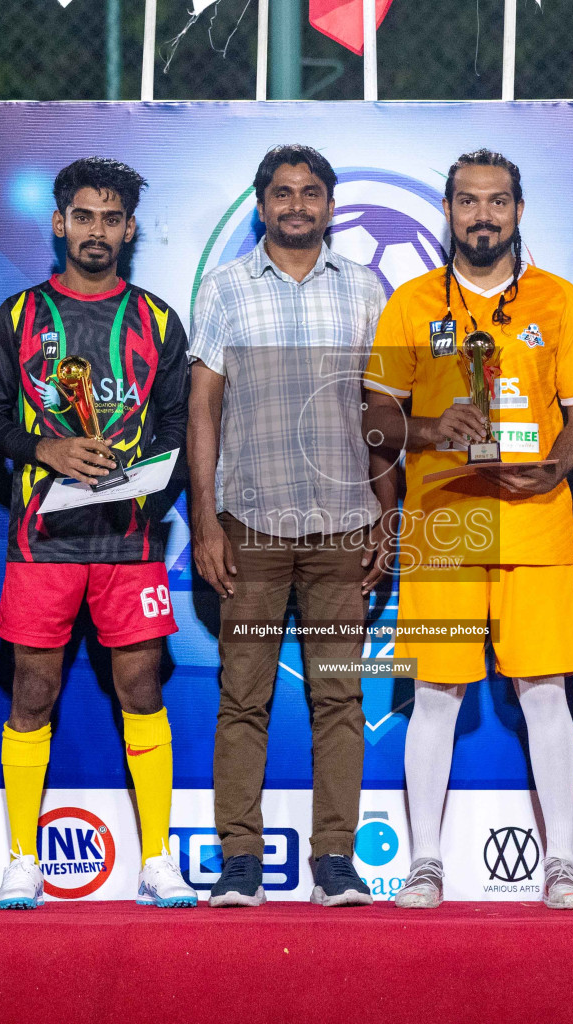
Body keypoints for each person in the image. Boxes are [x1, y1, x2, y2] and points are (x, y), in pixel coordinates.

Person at [363, 149, 573, 911]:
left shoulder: (558, 300)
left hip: (534, 522)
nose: (482, 216)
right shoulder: (410, 303)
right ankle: (425, 864)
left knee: (544, 691)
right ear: (448, 212)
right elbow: (374, 419)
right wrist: (432, 425)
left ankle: (562, 862)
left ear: (519, 212)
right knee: (435, 694)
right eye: (467, 202)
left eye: (497, 202)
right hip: (445, 522)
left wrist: (560, 466)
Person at [0, 157, 195, 909]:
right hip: (41, 541)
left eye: (112, 218)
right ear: (59, 221)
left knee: (141, 687)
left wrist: (146, 476)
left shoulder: (159, 320)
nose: (97, 231)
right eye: (83, 216)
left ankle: (159, 858)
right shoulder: (17, 317)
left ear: (130, 229)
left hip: (130, 541)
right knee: (32, 690)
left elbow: (176, 426)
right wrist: (48, 449)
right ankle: (21, 859)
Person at [187, 145, 390, 908]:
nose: (297, 205)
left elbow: (380, 411)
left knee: (340, 700)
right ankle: (240, 860)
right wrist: (205, 520)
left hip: (344, 526)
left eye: (310, 193)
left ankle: (334, 860)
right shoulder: (226, 288)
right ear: (261, 205)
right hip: (252, 526)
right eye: (282, 193)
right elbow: (203, 408)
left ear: (330, 206)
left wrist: (388, 513)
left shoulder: (366, 288)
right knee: (244, 699)